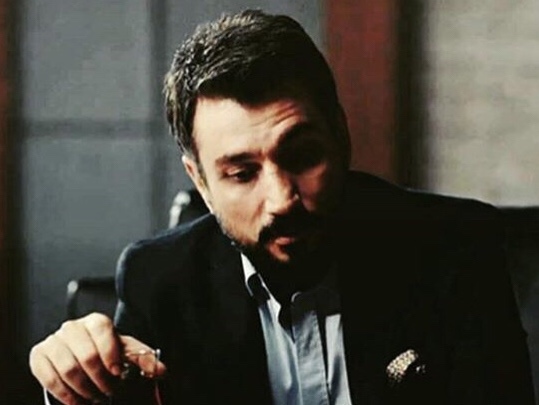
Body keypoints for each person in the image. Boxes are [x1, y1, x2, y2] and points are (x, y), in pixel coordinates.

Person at [29, 8, 535, 405]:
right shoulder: (160, 280)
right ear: (200, 182)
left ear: (340, 136)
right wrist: (77, 380)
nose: (282, 199)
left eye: (303, 156)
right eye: (242, 173)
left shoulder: (457, 248)